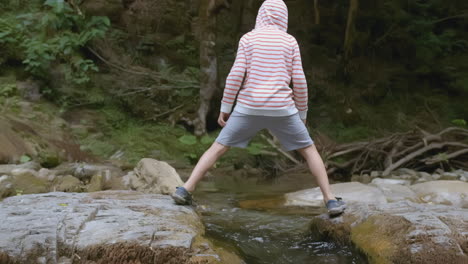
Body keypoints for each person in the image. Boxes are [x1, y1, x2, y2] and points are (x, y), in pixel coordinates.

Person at [171, 0, 346, 215]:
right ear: (284, 17)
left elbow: (236, 75)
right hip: (282, 107)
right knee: (309, 151)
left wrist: (226, 107)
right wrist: (302, 113)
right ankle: (330, 200)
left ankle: (186, 189)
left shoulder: (249, 39)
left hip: (248, 106)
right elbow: (299, 80)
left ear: (261, 15)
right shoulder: (290, 42)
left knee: (218, 147)